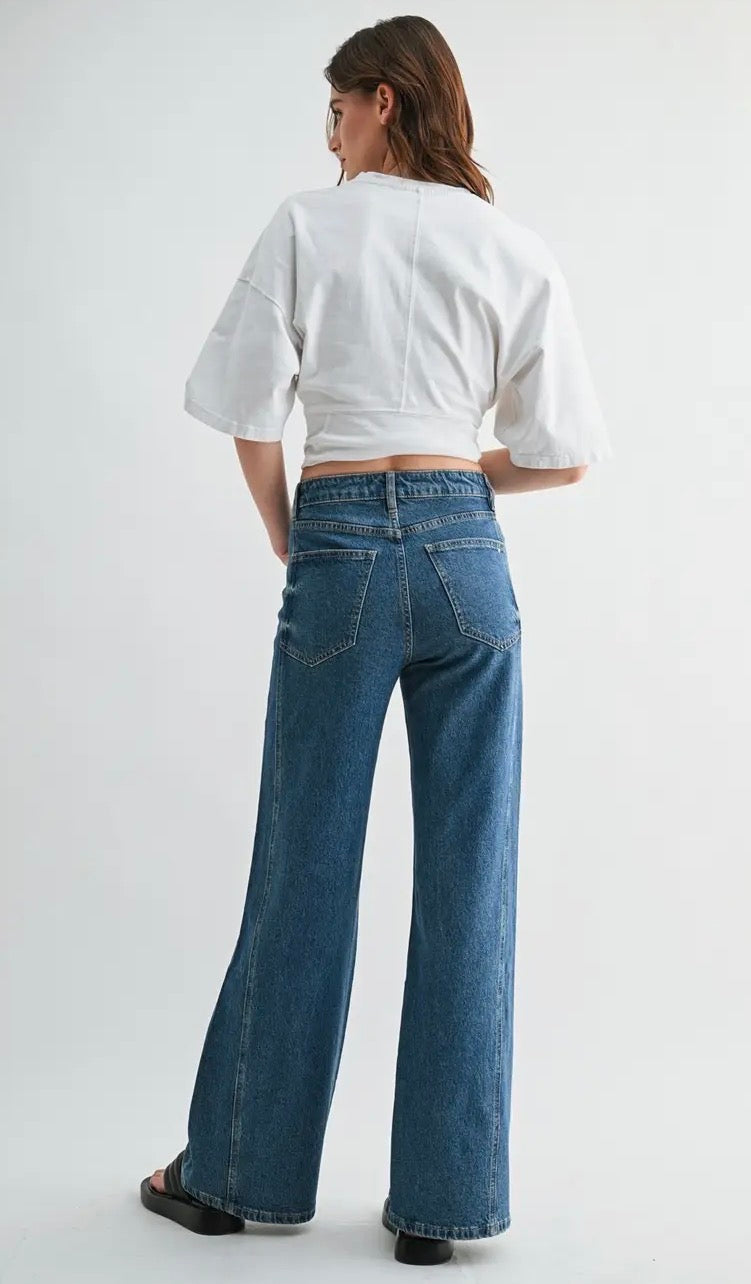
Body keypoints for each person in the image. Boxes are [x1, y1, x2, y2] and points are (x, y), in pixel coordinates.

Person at [140, 14, 613, 1267]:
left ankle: (234, 1177)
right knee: (473, 882)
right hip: (469, 562)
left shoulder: (309, 225)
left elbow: (249, 413)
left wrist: (291, 530)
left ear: (384, 102)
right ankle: (442, 1210)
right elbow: (564, 455)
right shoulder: (510, 245)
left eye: (339, 110)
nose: (331, 136)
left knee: (303, 864)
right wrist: (455, 482)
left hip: (342, 538)